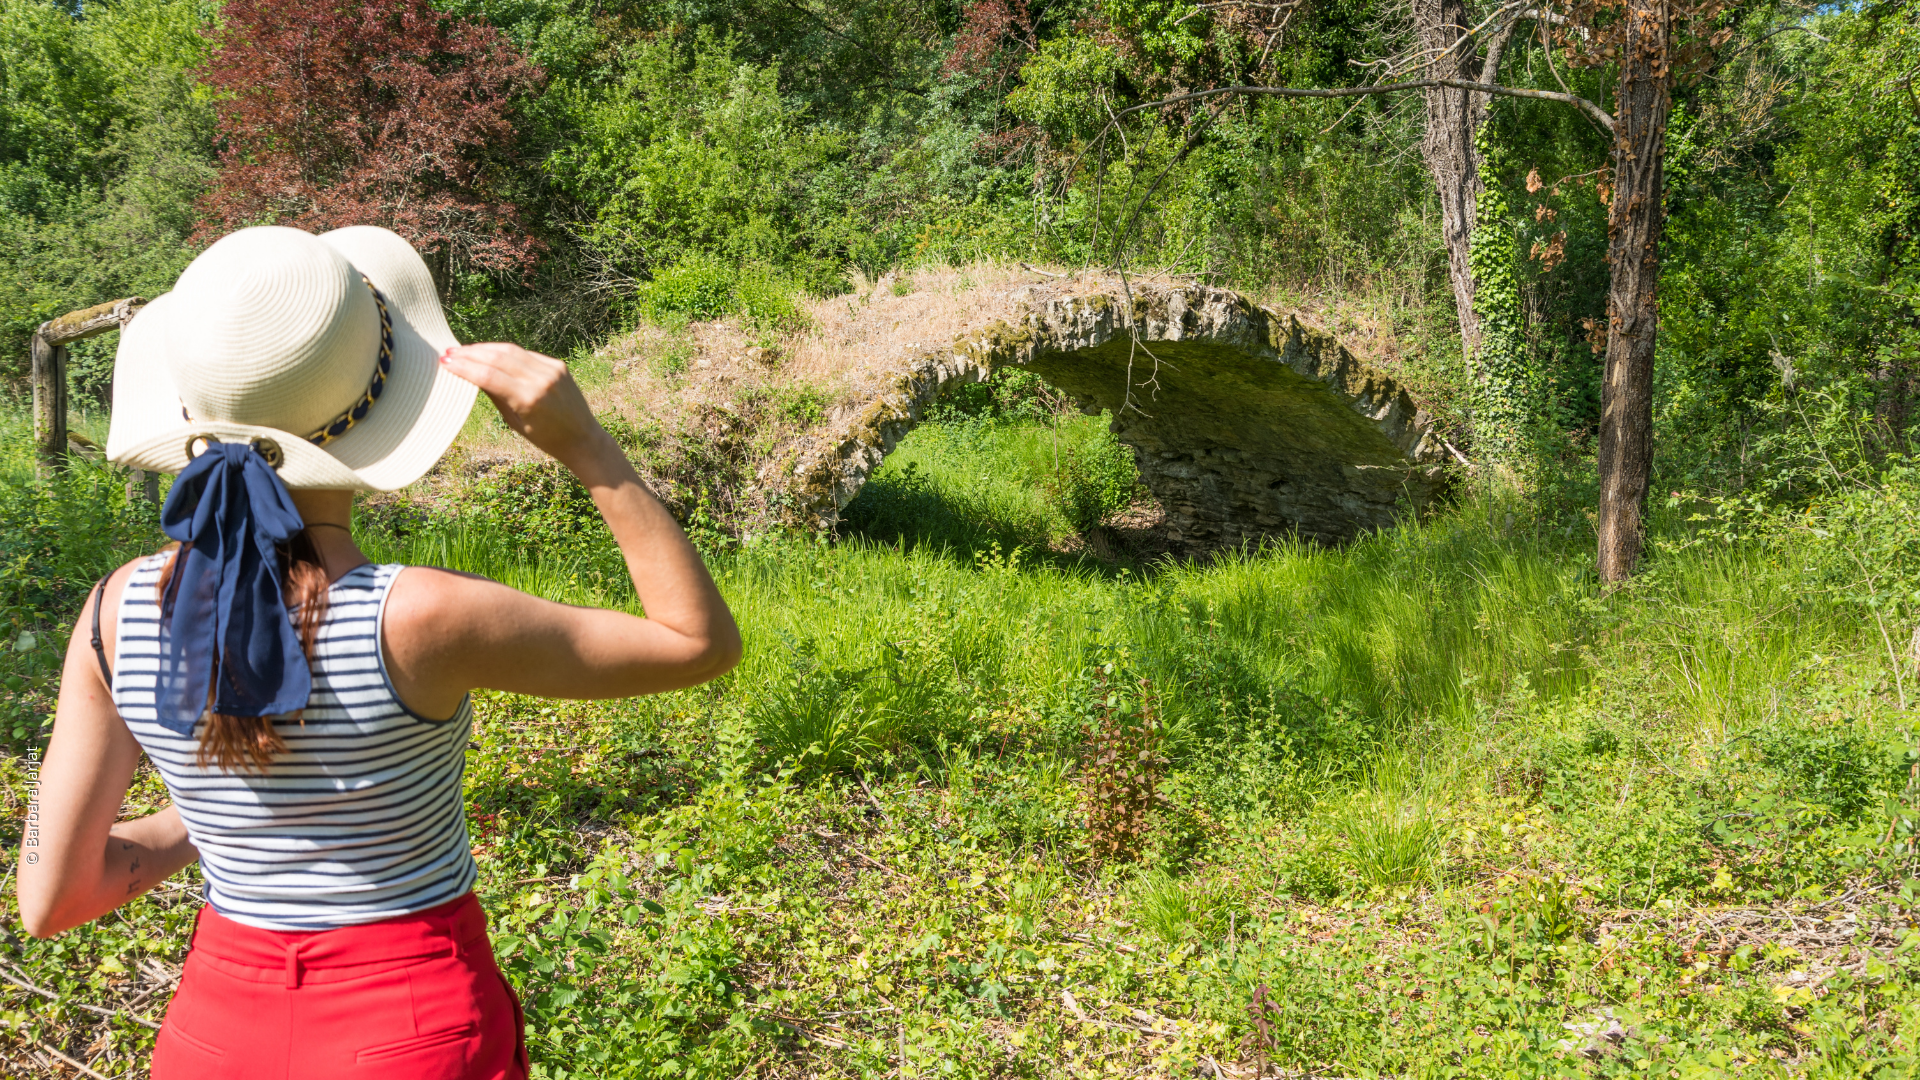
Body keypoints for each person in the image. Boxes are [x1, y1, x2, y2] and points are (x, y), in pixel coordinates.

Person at [14, 225, 741, 1079]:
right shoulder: (419, 615)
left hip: (215, 1038)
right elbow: (697, 643)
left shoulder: (111, 614)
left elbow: (54, 899)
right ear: (378, 397)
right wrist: (586, 445)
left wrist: (213, 824)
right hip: (413, 1030)